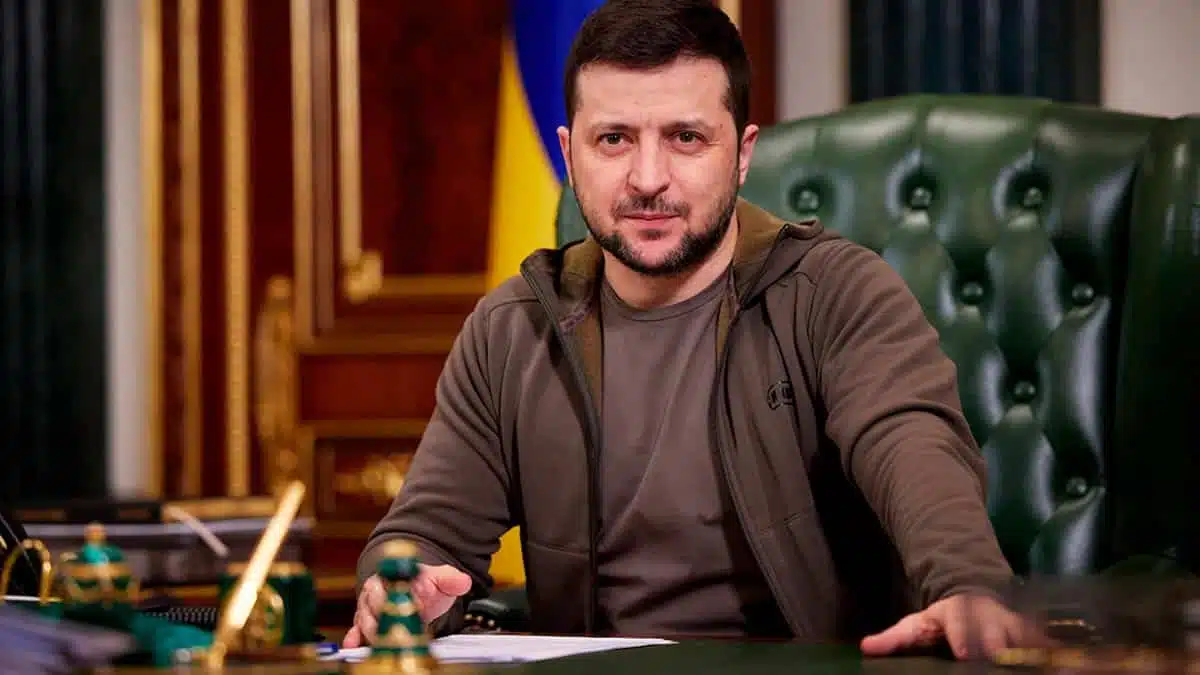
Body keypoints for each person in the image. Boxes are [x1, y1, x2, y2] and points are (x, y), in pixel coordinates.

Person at [345, 0, 1028, 659]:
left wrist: (965, 582)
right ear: (570, 155)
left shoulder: (836, 294)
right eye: (614, 139)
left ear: (742, 153)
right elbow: (424, 536)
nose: (648, 179)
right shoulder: (513, 327)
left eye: (686, 138)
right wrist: (403, 589)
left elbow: (912, 445)